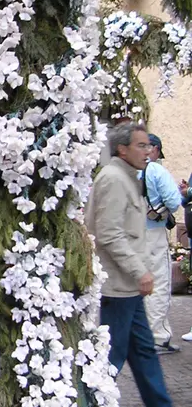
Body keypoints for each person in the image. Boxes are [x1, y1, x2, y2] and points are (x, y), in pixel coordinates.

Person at [85, 123, 172, 406]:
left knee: (144, 352)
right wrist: (140, 270)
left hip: (129, 288)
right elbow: (109, 233)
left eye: (149, 145)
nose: (148, 151)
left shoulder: (127, 176)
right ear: (122, 149)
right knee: (111, 357)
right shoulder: (113, 178)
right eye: (141, 145)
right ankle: (91, 400)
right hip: (118, 287)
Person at [141, 134, 183, 354]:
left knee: (139, 285)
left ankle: (140, 334)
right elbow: (174, 202)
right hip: (154, 232)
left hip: (131, 233)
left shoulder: (126, 169)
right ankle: (158, 337)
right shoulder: (155, 170)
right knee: (158, 284)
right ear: (154, 149)